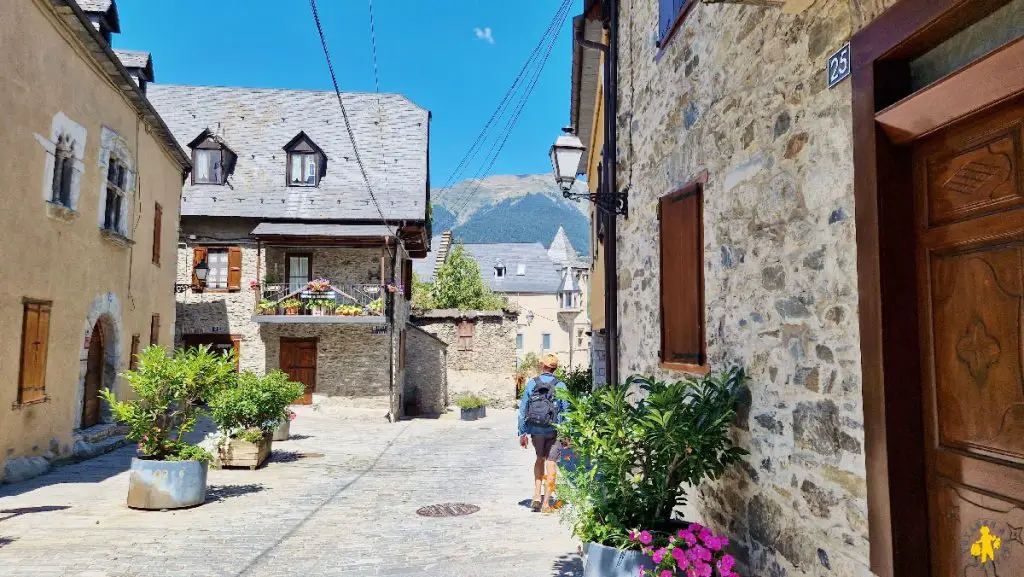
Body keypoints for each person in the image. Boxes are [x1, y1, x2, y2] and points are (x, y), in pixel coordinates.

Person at [517, 354, 569, 513]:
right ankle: (546, 503)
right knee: (551, 463)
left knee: (539, 458)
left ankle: (536, 496)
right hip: (554, 430)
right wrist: (567, 434)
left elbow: (523, 408)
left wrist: (522, 432)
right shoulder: (561, 386)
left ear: (542, 366)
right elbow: (566, 411)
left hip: (536, 430)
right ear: (555, 368)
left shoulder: (532, 383)